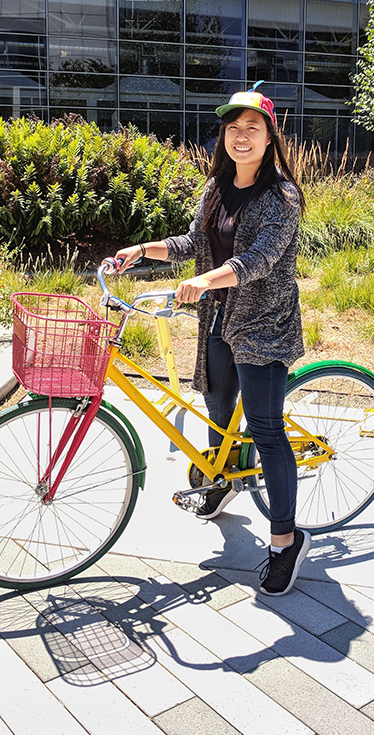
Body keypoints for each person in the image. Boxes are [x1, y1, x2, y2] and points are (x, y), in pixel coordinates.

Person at [106, 85, 311, 596]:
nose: (241, 137)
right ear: (224, 135)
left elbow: (258, 261)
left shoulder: (282, 197)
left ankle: (285, 541)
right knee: (218, 410)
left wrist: (204, 281)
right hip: (219, 318)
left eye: (252, 129)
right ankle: (220, 485)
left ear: (269, 139)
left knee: (265, 429)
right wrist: (143, 249)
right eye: (233, 128)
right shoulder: (216, 185)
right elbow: (194, 242)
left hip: (263, 325)